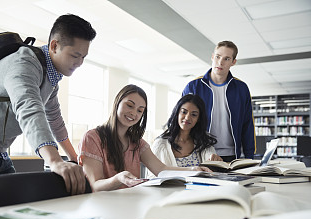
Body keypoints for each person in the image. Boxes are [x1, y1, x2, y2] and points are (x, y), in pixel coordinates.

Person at [0, 14, 96, 213]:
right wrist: (55, 161)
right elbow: (28, 107)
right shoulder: (25, 62)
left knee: (11, 215)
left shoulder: (51, 79)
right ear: (54, 46)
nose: (80, 63)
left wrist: (75, 159)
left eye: (83, 57)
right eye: (75, 55)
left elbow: (55, 121)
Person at [78, 84, 211, 192]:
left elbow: (161, 170)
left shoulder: (138, 143)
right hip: (100, 206)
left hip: (129, 203)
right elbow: (94, 186)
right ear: (117, 102)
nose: (133, 113)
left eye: (140, 110)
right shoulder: (93, 138)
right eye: (129, 105)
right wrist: (118, 178)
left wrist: (193, 169)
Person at [182, 40, 255, 162]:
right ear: (212, 56)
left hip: (232, 156)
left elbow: (247, 125)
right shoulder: (193, 87)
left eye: (226, 59)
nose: (220, 62)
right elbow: (182, 121)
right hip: (201, 154)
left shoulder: (241, 89)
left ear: (233, 62)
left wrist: (249, 159)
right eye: (218, 57)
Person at [148, 94, 222, 178]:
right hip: (169, 190)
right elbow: (151, 177)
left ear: (198, 119)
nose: (187, 117)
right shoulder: (160, 144)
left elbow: (211, 170)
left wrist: (215, 163)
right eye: (184, 112)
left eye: (193, 115)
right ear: (177, 113)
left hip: (199, 190)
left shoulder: (204, 143)